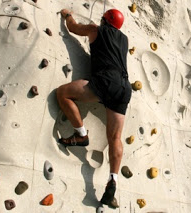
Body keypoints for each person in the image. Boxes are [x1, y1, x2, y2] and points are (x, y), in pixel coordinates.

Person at [57, 8, 131, 208]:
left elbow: (72, 28)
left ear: (104, 21)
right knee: (115, 138)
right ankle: (113, 179)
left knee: (62, 93)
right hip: (125, 88)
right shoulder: (124, 40)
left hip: (105, 82)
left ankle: (81, 134)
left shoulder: (95, 29)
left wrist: (67, 15)